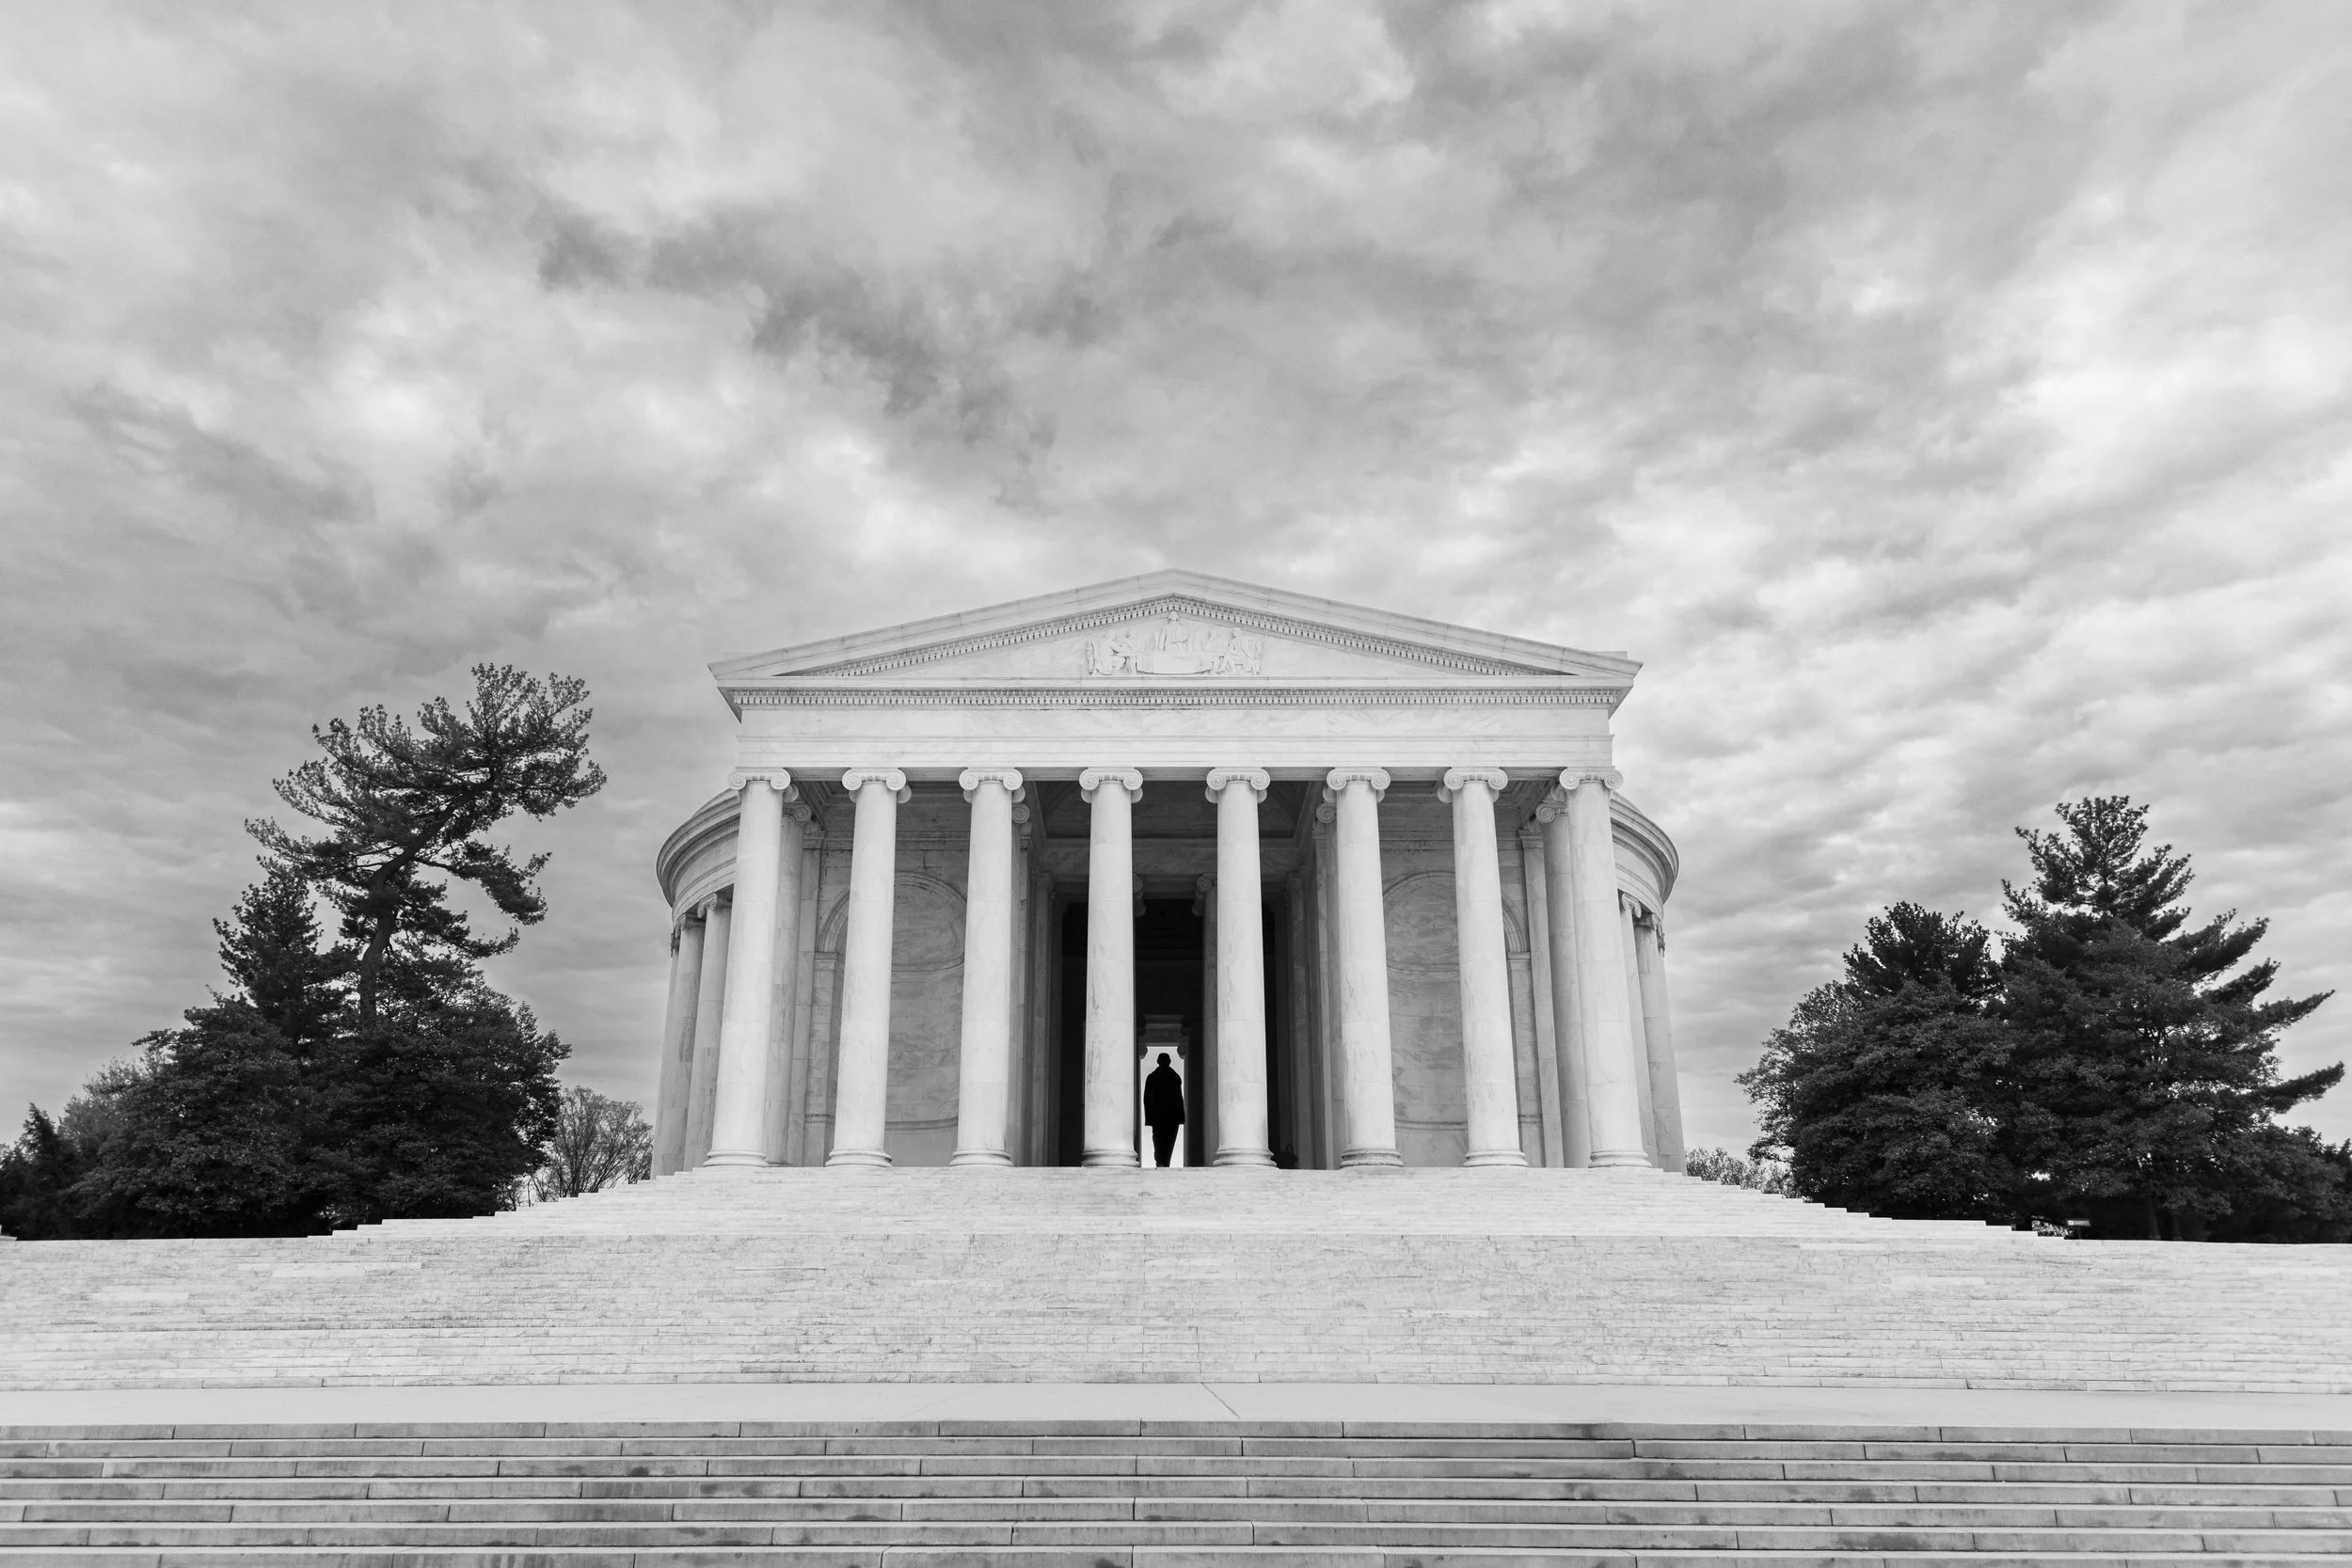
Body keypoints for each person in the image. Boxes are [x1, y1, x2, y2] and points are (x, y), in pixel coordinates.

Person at [1143, 1052, 1185, 1167]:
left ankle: (1163, 1162)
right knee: (1164, 1141)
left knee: (1162, 1141)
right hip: (1166, 1116)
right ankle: (1163, 1162)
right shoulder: (1174, 1077)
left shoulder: (1157, 1077)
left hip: (1164, 1116)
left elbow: (1147, 1099)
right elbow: (1147, 1098)